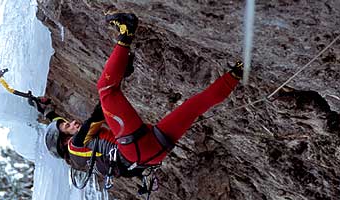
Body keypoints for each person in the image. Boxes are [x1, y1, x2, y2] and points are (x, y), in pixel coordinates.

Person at [38, 12, 244, 192]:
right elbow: (98, 115)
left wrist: (48, 113)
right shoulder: (75, 145)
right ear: (64, 140)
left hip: (153, 153)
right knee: (106, 90)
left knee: (194, 106)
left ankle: (237, 72)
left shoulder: (82, 154)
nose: (73, 122)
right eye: (67, 126)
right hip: (134, 147)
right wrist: (119, 79)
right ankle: (126, 31)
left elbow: (74, 124)